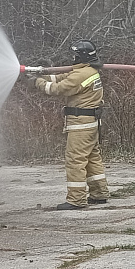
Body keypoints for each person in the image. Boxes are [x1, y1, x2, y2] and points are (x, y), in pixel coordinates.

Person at [30, 40, 108, 209]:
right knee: (92, 158)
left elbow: (58, 89)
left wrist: (37, 82)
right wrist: (40, 74)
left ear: (81, 56)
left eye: (75, 55)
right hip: (90, 123)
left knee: (75, 160)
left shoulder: (82, 74)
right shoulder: (87, 71)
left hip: (81, 124)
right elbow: (60, 77)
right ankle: (99, 193)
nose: (72, 58)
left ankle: (76, 200)